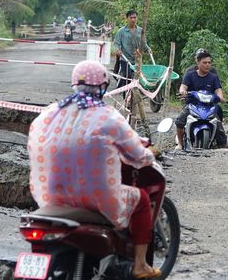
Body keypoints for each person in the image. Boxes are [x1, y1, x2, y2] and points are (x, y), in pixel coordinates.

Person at [27, 60, 161, 279]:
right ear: (103, 86)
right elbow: (136, 155)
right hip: (96, 200)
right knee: (143, 200)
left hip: (50, 197)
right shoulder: (108, 116)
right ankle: (139, 265)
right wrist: (149, 155)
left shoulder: (50, 113)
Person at [176, 49, 227, 149]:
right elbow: (183, 87)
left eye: (209, 63)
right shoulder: (190, 74)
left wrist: (220, 97)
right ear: (198, 63)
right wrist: (183, 91)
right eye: (204, 63)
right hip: (193, 104)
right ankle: (180, 144)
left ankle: (220, 143)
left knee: (218, 124)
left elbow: (218, 90)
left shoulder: (213, 77)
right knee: (179, 121)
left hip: (209, 105)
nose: (207, 65)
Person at [112, 10, 152, 90]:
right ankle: (125, 95)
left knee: (138, 79)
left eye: (135, 17)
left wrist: (148, 49)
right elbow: (116, 43)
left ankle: (135, 96)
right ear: (127, 19)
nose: (133, 19)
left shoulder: (140, 31)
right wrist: (117, 50)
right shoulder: (122, 31)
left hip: (137, 60)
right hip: (126, 60)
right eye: (131, 18)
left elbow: (144, 43)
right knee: (128, 78)